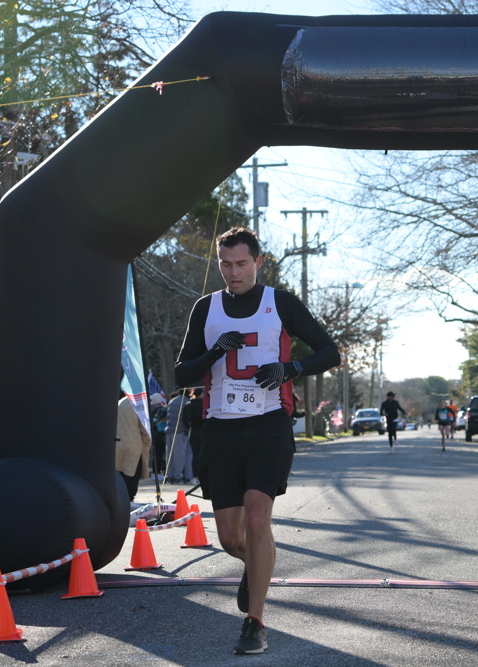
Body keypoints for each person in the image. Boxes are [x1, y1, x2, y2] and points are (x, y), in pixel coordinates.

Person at [174, 227, 339, 655]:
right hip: (221, 428)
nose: (234, 272)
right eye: (226, 264)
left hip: (269, 424)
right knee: (231, 538)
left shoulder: (280, 302)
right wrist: (214, 352)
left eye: (242, 263)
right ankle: (254, 564)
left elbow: (330, 352)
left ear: (258, 262)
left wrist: (291, 368)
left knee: (257, 517)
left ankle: (255, 622)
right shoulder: (206, 308)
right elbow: (181, 374)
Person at [115, 395, 151, 502]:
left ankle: (121, 500)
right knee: (131, 474)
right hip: (134, 445)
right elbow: (145, 429)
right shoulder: (139, 404)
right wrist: (147, 443)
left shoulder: (120, 402)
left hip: (118, 443)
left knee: (120, 473)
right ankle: (130, 500)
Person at [164, 389, 192, 484]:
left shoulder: (172, 401)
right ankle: (178, 476)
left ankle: (170, 475)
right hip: (180, 430)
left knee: (170, 455)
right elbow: (185, 418)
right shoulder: (186, 402)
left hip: (169, 429)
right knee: (180, 455)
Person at [182, 387, 206, 476]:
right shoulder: (204, 404)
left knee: (194, 454)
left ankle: (195, 475)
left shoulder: (189, 404)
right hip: (202, 430)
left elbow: (184, 418)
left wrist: (188, 426)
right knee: (203, 453)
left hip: (192, 430)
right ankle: (202, 474)